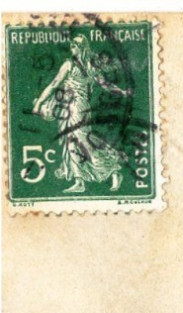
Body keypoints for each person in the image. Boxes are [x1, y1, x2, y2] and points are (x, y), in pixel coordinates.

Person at [31, 34, 132, 194]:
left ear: (82, 48)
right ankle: (82, 180)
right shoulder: (90, 67)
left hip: (76, 108)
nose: (73, 47)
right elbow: (106, 85)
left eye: (76, 45)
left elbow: (54, 84)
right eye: (72, 45)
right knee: (76, 142)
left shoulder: (70, 65)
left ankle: (111, 171)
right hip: (76, 108)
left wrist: (38, 103)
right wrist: (123, 92)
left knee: (81, 143)